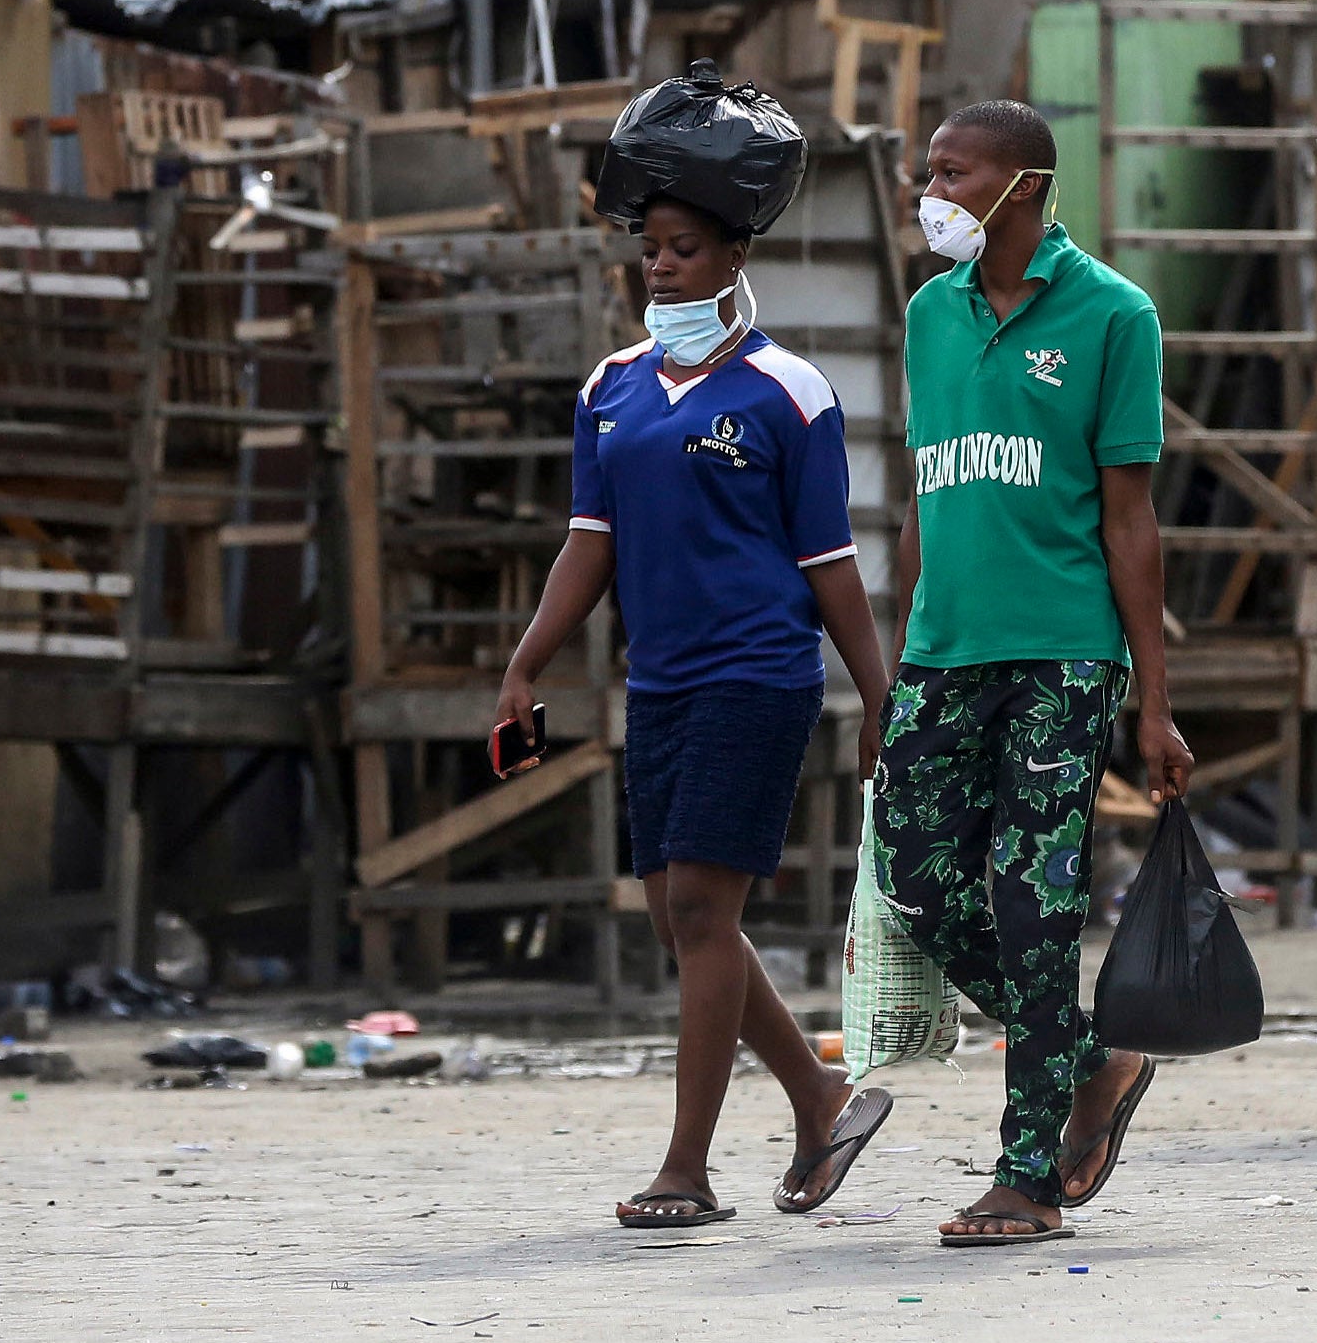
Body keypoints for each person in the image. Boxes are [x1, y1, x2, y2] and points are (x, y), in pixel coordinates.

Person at [496, 192, 896, 1229]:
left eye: (683, 251)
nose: (661, 269)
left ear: (733, 254)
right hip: (659, 683)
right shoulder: (609, 390)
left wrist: (876, 694)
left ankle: (687, 1166)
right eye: (649, 252)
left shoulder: (788, 392)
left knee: (701, 913)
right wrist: (525, 663)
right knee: (676, 913)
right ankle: (821, 1098)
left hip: (758, 676)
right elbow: (589, 541)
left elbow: (831, 565)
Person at [875, 98, 1191, 1248]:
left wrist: (1150, 701)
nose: (933, 194)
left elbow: (1130, 521)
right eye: (929, 173)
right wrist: (897, 662)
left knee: (1030, 902)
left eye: (952, 175)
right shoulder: (927, 315)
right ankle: (1095, 1059)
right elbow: (923, 498)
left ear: (1021, 185)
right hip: (940, 652)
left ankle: (1027, 1174)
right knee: (912, 881)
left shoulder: (1114, 314)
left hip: (1062, 652)